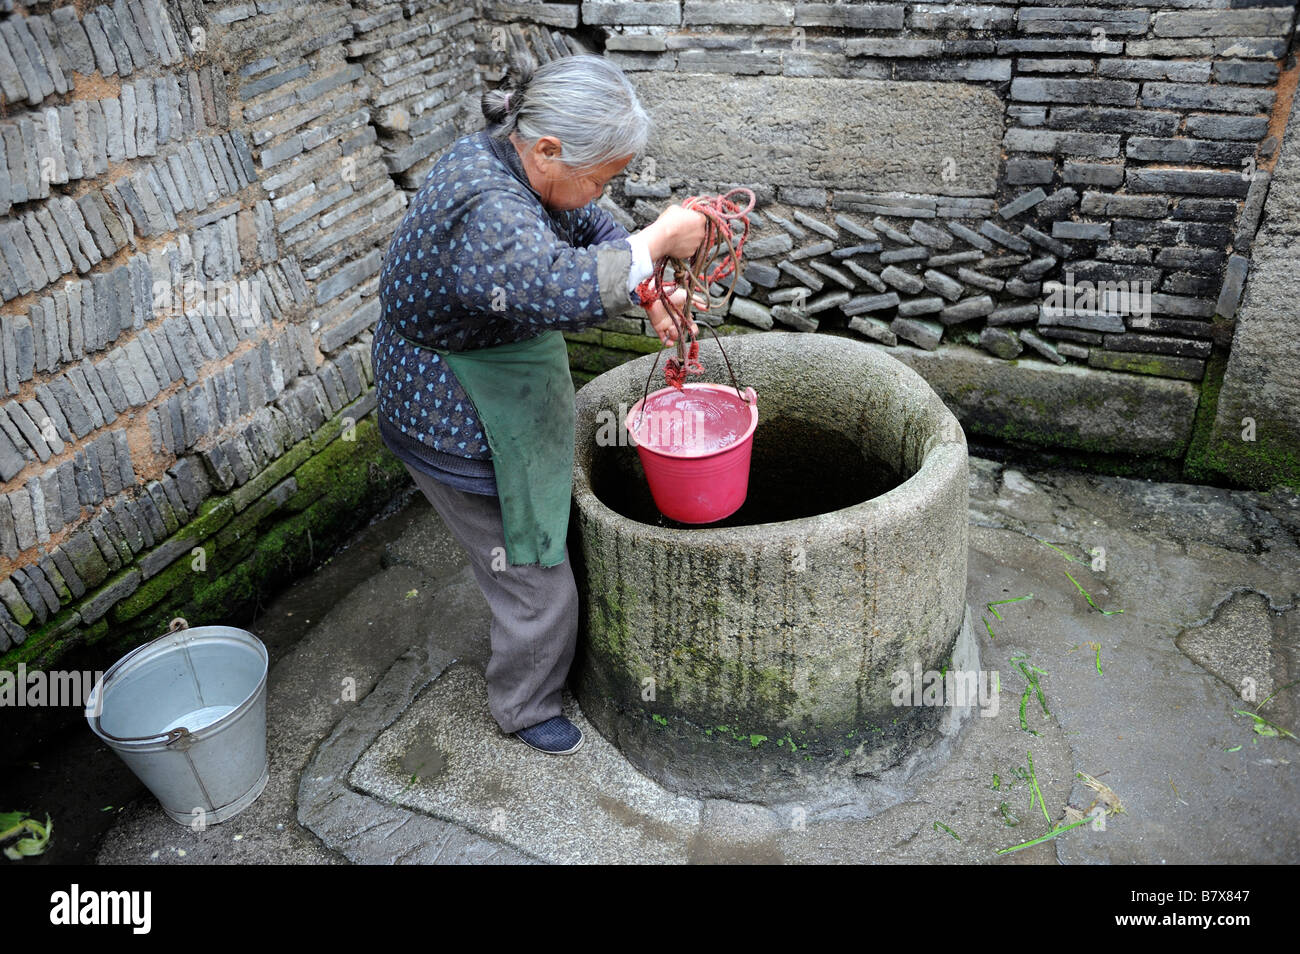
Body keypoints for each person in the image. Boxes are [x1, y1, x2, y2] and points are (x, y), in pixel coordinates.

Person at [372, 54, 708, 755]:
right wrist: (659, 243)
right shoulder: (486, 201)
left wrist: (649, 288)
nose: (602, 192)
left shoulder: (516, 156)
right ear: (548, 149)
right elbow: (552, 284)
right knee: (533, 577)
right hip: (453, 407)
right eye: (603, 176)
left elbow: (589, 226)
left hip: (496, 375)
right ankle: (524, 703)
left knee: (533, 545)